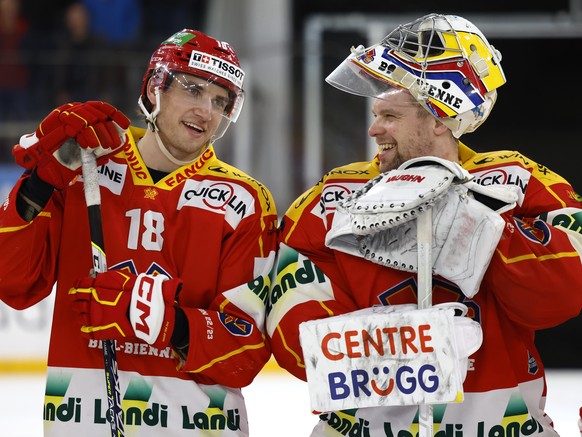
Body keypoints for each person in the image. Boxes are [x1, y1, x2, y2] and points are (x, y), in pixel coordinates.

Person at [266, 13, 582, 436]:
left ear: (439, 118)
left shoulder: (519, 182)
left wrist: (475, 221)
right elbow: (294, 339)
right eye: (377, 113)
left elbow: (561, 297)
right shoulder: (333, 197)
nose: (373, 128)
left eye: (390, 116)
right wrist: (404, 346)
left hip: (502, 425)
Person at [0, 28, 278, 436]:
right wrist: (41, 181)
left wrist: (163, 321)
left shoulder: (245, 201)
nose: (206, 111)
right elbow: (14, 283)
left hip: (198, 427)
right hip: (82, 424)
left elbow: (245, 352)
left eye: (220, 101)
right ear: (154, 88)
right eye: (193, 89)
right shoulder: (84, 168)